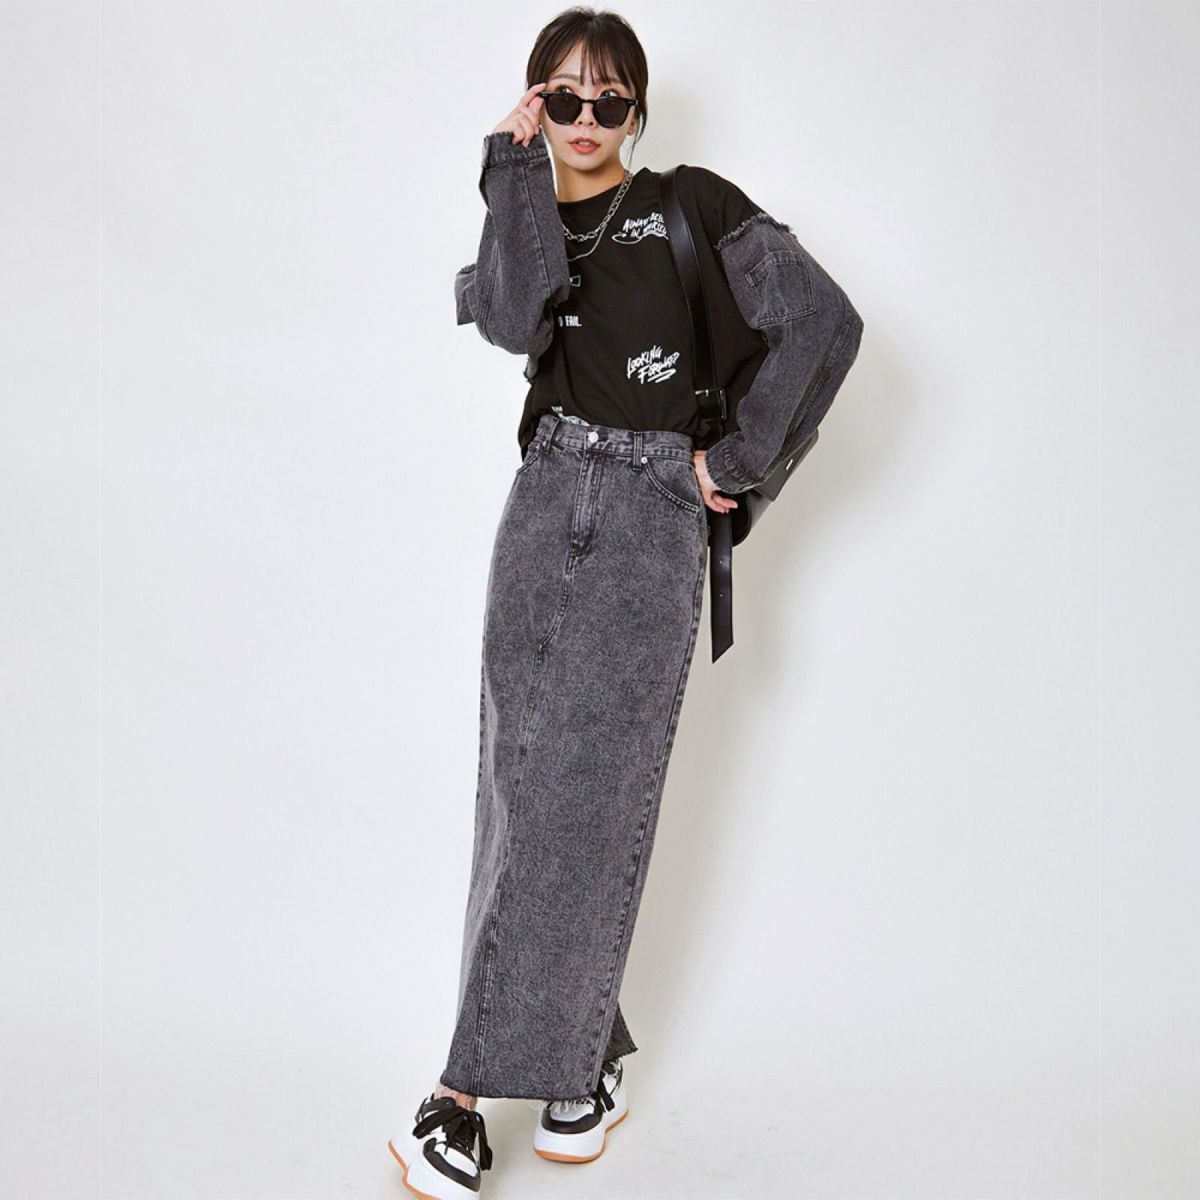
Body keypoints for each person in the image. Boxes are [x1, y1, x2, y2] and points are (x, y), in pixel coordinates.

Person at [388, 9, 864, 1198]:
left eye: (609, 100)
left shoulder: (692, 204)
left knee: (592, 795)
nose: (587, 118)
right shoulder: (528, 215)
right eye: (563, 97)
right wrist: (509, 171)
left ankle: (460, 1097)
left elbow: (824, 323)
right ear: (535, 105)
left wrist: (736, 464)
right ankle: (579, 1067)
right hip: (547, 493)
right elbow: (512, 321)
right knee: (521, 785)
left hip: (653, 511)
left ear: (638, 113)